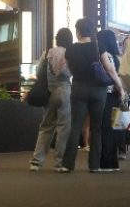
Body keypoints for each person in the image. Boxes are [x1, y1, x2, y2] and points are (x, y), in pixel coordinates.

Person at [60, 18, 120, 173]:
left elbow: (67, 69)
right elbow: (109, 68)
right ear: (92, 31)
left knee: (75, 126)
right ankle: (94, 165)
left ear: (78, 31)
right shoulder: (98, 46)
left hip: (78, 88)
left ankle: (67, 164)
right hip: (98, 90)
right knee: (96, 128)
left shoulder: (71, 49)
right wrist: (120, 86)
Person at [29, 28, 74, 171]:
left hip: (50, 91)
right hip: (65, 91)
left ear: (57, 38)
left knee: (46, 126)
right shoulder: (70, 53)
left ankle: (36, 161)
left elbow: (39, 72)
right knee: (63, 128)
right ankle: (59, 162)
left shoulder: (48, 52)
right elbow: (72, 72)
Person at [97, 29, 126, 171]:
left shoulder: (105, 56)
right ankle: (114, 162)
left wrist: (119, 87)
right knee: (116, 128)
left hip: (107, 94)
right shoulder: (118, 57)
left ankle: (106, 162)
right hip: (118, 95)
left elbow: (110, 71)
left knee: (106, 129)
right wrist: (122, 90)